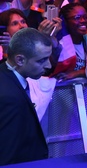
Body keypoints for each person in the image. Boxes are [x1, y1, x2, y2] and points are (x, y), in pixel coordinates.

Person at [0, 27, 52, 165]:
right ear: (20, 60)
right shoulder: (10, 98)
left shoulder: (4, 75)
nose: (48, 65)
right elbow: (8, 154)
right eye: (42, 60)